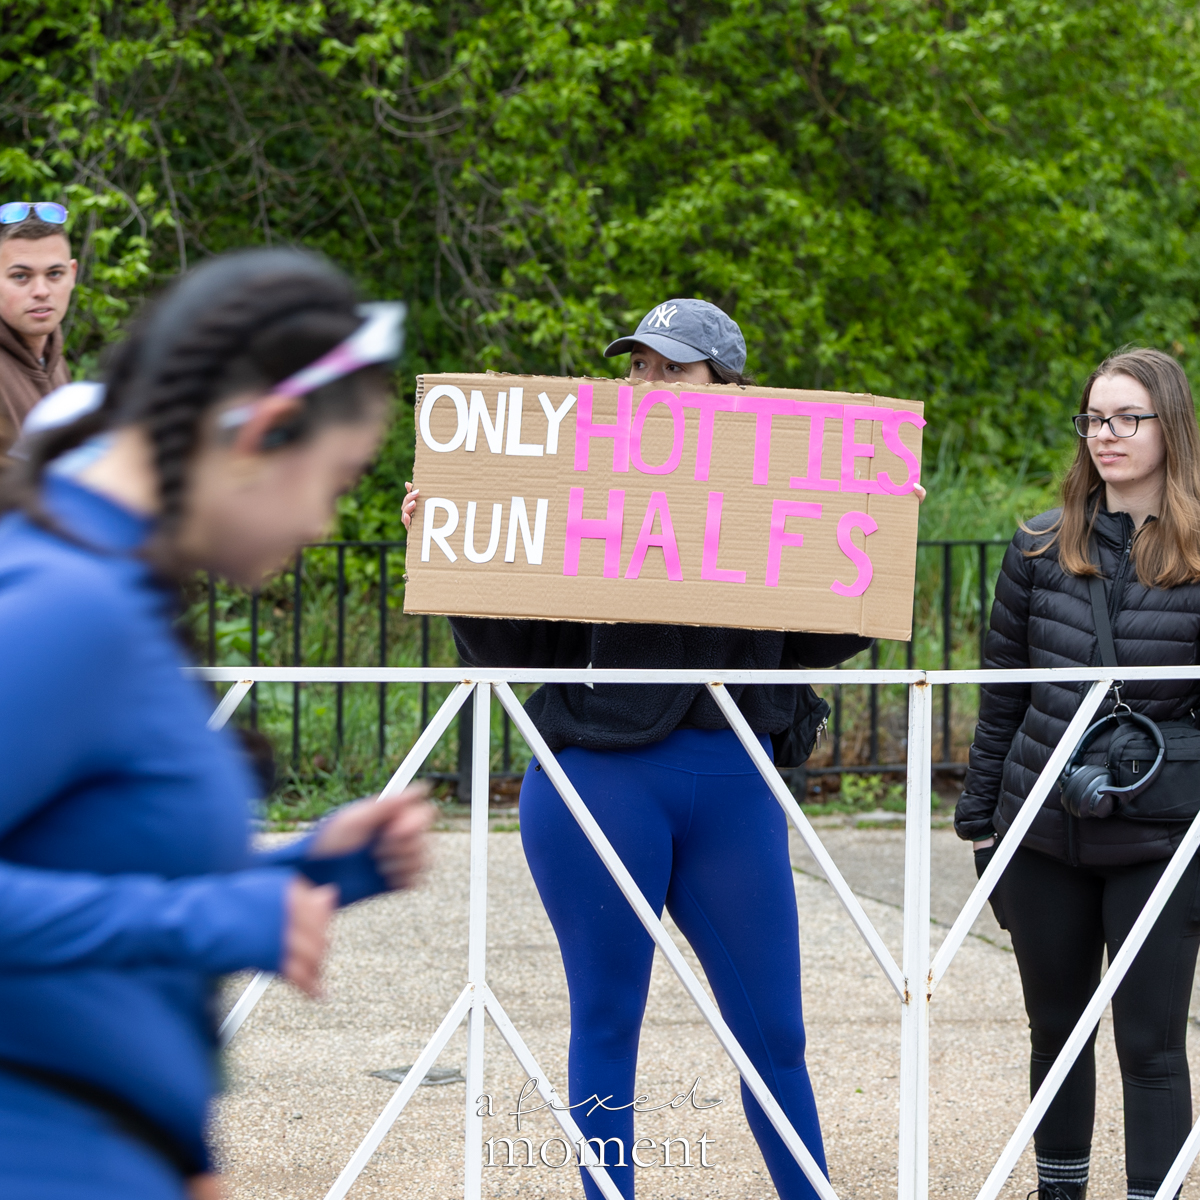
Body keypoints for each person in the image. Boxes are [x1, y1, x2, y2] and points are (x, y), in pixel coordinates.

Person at [402, 298, 878, 1200]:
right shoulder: (579, 484)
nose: (646, 382)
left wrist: (866, 536)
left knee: (775, 1035)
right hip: (598, 778)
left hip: (735, 780)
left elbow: (816, 643)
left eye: (673, 367)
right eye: (638, 365)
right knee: (609, 1021)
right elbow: (515, 655)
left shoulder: (771, 491)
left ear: (730, 391)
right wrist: (450, 552)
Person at [0, 247, 433, 1200]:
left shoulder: (105, 589)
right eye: (338, 477)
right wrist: (213, 916)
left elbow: (88, 879)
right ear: (266, 432)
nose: (326, 523)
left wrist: (305, 873)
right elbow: (159, 918)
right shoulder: (70, 603)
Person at [956, 346, 1200, 1200]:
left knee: (1151, 1042)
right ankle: (1059, 1191)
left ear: (1171, 427)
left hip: (1159, 834)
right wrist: (982, 822)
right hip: (1042, 826)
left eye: (1129, 417)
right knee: (1055, 1031)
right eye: (1095, 417)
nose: (1108, 434)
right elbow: (1000, 701)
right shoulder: (1035, 549)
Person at [0, 202, 77, 455]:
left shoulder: (53, 355)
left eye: (54, 274)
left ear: (72, 274)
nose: (41, 291)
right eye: (21, 276)